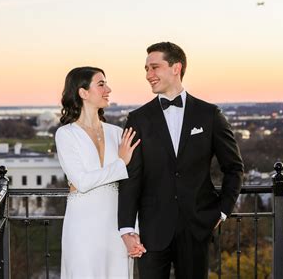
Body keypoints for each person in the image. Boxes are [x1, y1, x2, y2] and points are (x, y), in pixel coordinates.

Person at [118, 42, 244, 278]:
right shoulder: (138, 119)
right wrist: (126, 227)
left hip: (197, 227)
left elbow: (234, 167)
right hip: (152, 230)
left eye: (154, 67)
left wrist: (223, 211)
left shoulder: (209, 114)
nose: (148, 75)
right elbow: (130, 177)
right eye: (146, 69)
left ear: (176, 67)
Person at [55, 66, 143, 278]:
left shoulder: (118, 133)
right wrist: (121, 164)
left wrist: (132, 230)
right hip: (82, 225)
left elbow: (132, 187)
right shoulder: (66, 135)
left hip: (116, 225)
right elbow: (82, 182)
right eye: (101, 84)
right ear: (83, 92)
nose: (108, 89)